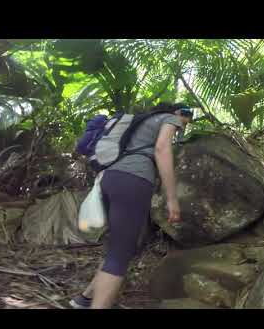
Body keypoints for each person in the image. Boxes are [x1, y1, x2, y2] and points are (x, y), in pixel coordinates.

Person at [70, 102, 194, 309]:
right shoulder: (170, 119)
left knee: (116, 248)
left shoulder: (139, 122)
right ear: (176, 112)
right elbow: (162, 149)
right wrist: (171, 198)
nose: (187, 119)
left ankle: (84, 299)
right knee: (121, 253)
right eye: (187, 114)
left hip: (109, 179)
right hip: (134, 180)